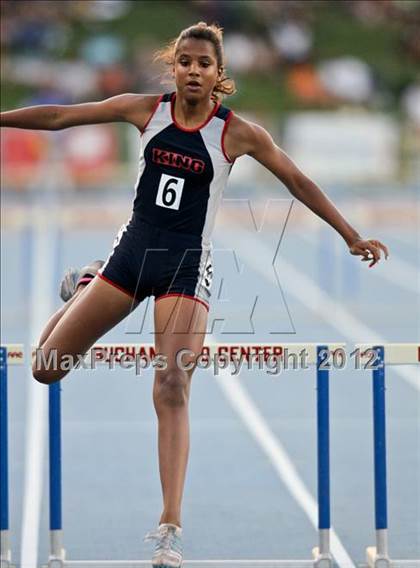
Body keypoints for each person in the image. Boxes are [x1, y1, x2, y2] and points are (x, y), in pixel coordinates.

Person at [0, 21, 389, 567]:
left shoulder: (237, 133)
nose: (193, 71)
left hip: (185, 269)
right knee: (46, 366)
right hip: (130, 257)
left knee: (173, 382)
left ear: (217, 74)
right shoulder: (145, 110)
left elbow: (296, 181)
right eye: (185, 61)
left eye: (204, 64)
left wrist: (350, 235)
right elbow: (62, 117)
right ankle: (89, 281)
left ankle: (169, 527)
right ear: (174, 66)